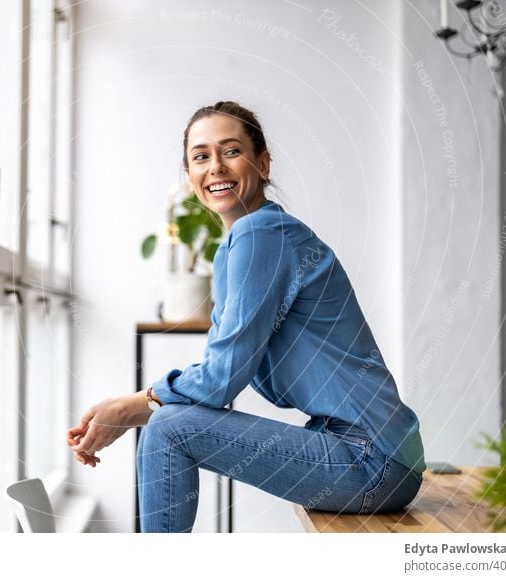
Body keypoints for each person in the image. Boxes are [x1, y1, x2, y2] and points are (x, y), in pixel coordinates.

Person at [66, 100, 425, 533]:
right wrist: (127, 411)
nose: (215, 166)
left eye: (231, 151)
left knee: (166, 428)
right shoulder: (245, 242)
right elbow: (218, 375)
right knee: (167, 422)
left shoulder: (262, 235)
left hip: (372, 458)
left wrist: (128, 407)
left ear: (263, 163)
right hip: (369, 451)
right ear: (190, 176)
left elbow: (219, 381)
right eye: (200, 156)